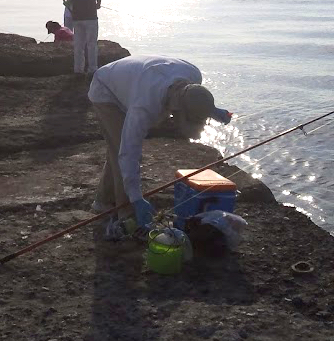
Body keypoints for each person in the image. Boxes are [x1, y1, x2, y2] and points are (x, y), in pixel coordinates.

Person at [87, 55, 232, 233]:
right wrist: (137, 199)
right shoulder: (144, 106)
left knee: (117, 147)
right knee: (122, 151)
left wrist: (212, 110)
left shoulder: (194, 75)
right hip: (105, 89)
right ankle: (128, 215)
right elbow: (128, 153)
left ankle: (102, 201)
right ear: (178, 111)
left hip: (133, 80)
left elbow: (196, 98)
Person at [64, 0, 108, 77]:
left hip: (77, 16)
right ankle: (93, 69)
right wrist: (98, 4)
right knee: (92, 44)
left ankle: (78, 69)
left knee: (78, 45)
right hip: (91, 16)